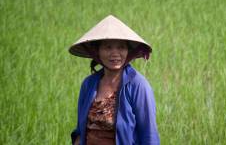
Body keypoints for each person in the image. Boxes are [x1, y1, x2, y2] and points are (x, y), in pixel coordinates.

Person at [68, 15, 160, 145]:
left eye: (121, 47)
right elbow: (80, 131)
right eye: (108, 47)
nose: (115, 53)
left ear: (128, 51)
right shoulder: (88, 84)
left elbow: (149, 134)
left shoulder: (138, 85)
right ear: (98, 51)